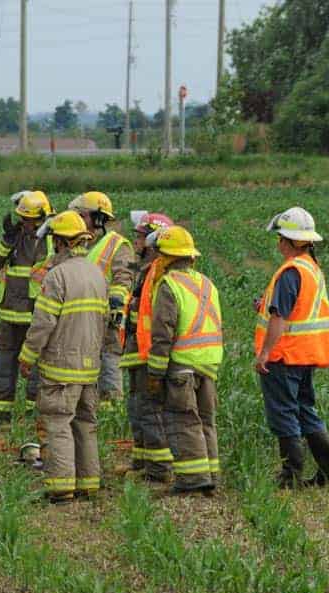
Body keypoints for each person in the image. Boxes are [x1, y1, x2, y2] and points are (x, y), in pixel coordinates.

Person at [17, 211, 107, 504]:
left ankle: (61, 486)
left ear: (59, 242)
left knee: (57, 423)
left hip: (60, 366)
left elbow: (43, 323)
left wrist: (27, 356)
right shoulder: (96, 273)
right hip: (90, 365)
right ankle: (89, 483)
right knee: (85, 424)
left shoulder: (57, 276)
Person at [255, 207, 329, 487]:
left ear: (289, 241)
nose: (278, 243)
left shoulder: (290, 271)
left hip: (284, 355)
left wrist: (265, 352)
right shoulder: (311, 268)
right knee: (305, 410)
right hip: (305, 355)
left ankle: (290, 476)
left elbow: (280, 317)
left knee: (284, 413)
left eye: (280, 238)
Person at [144, 226, 223, 495]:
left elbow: (162, 333)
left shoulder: (169, 286)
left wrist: (154, 374)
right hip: (208, 365)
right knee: (206, 421)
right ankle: (211, 474)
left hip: (181, 366)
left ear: (166, 257)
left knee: (183, 420)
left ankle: (192, 479)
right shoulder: (207, 283)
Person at [0, 190, 52, 438]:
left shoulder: (53, 240)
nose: (24, 224)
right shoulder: (15, 238)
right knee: (2, 367)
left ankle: (38, 419)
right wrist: (6, 239)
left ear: (43, 217)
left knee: (36, 370)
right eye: (22, 219)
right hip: (10, 317)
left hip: (38, 318)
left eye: (29, 220)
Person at [118, 212, 175, 482]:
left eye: (140, 235)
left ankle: (158, 469)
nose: (135, 240)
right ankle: (141, 461)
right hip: (136, 350)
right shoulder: (146, 270)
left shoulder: (158, 273)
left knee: (150, 410)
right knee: (137, 407)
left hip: (147, 352)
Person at [69, 191, 136, 404]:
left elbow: (123, 279)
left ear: (98, 218)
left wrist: (114, 311)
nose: (78, 220)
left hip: (106, 317)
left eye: (82, 215)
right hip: (80, 315)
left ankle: (111, 411)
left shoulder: (118, 245)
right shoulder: (77, 243)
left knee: (109, 360)